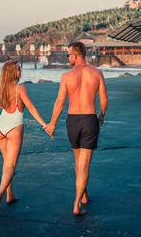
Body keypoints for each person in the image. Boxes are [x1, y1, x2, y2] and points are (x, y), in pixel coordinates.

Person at [45, 41, 108, 216]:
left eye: (68, 55)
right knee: (85, 164)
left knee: (78, 160)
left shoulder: (66, 76)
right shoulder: (96, 73)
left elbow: (60, 101)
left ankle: (84, 195)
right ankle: (77, 204)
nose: (67, 58)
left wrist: (52, 123)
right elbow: (104, 100)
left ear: (75, 55)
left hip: (72, 121)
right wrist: (101, 116)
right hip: (89, 119)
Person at [0, 59, 50, 214]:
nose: (20, 71)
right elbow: (30, 107)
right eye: (18, 69)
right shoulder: (19, 88)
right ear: (11, 72)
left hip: (0, 127)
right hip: (14, 127)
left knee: (6, 163)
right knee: (10, 165)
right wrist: (44, 124)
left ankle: (10, 194)